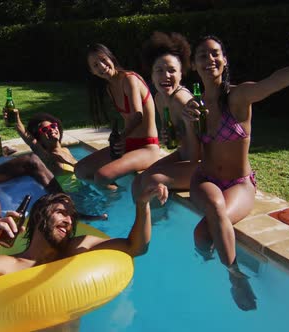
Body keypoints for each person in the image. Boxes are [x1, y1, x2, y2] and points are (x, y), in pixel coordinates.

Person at [185, 30, 289, 310]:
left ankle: (233, 276)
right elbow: (194, 154)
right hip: (205, 179)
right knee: (213, 208)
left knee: (201, 234)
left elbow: (273, 82)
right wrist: (189, 123)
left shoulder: (238, 96)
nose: (209, 59)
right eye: (202, 55)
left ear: (224, 60)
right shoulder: (196, 105)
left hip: (239, 183)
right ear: (193, 65)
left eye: (215, 53)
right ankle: (225, 270)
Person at [0, 188, 163, 312]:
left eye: (72, 218)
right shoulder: (5, 266)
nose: (68, 221)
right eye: (61, 213)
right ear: (38, 217)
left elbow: (136, 248)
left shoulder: (78, 248)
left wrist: (142, 206)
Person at [75, 43, 161, 190]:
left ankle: (115, 200)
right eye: (95, 65)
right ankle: (115, 193)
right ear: (92, 71)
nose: (102, 66)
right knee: (80, 170)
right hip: (128, 145)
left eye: (103, 59)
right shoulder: (110, 87)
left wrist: (122, 136)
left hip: (147, 146)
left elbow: (137, 116)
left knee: (102, 176)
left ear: (111, 57)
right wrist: (118, 139)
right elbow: (127, 120)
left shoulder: (129, 79)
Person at [132, 31, 201, 203]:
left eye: (172, 71)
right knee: (137, 181)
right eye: (159, 70)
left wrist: (185, 129)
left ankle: (155, 223)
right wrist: (170, 136)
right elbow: (175, 139)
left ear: (181, 74)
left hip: (202, 164)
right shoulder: (159, 98)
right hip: (184, 154)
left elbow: (196, 153)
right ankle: (143, 222)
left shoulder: (182, 100)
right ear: (152, 74)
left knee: (150, 181)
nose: (166, 76)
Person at [13, 110, 108, 220]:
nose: (51, 129)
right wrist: (16, 119)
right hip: (73, 197)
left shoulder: (66, 150)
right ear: (40, 139)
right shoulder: (48, 156)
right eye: (45, 129)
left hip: (85, 189)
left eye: (53, 125)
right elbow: (29, 140)